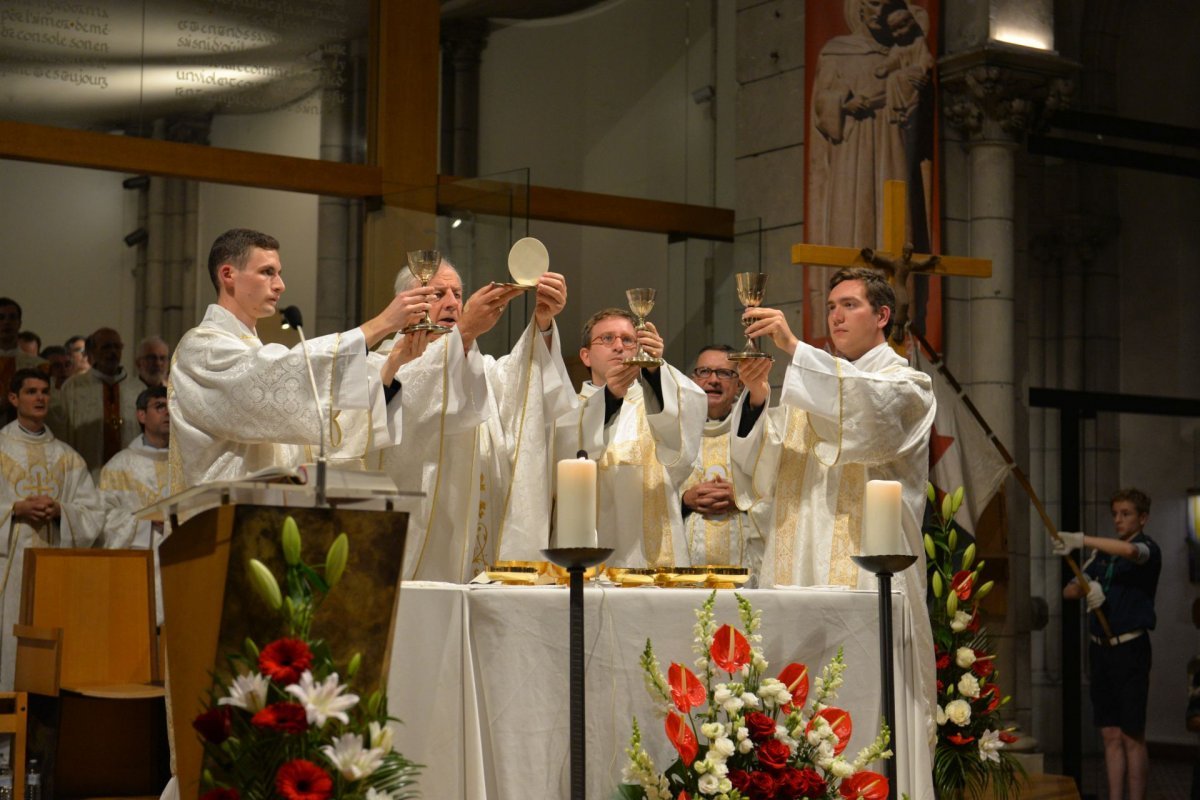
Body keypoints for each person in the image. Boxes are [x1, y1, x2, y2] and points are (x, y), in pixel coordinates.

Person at [737, 267, 937, 738]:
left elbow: (867, 406)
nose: (836, 317)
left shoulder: (908, 386)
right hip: (799, 568)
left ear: (882, 315)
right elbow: (765, 471)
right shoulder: (814, 384)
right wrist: (758, 397)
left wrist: (792, 348)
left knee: (864, 708)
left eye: (850, 305)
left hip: (866, 572)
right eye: (831, 307)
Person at [169, 228, 427, 490]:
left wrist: (392, 361)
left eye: (279, 273)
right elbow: (271, 376)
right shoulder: (201, 348)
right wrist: (380, 324)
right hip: (216, 518)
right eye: (267, 272)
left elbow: (309, 426)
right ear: (228, 275)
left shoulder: (248, 351)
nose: (280, 285)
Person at [375, 259, 576, 582]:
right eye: (438, 293)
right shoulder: (382, 367)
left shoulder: (483, 369)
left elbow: (526, 388)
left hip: (482, 537)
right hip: (422, 538)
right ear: (406, 304)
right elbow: (408, 404)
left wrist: (543, 323)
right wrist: (464, 331)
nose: (453, 302)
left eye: (458, 293)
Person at [555, 309, 706, 567]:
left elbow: (684, 442)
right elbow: (557, 463)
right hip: (591, 557)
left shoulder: (660, 401)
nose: (618, 347)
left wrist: (655, 371)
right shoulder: (565, 411)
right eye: (607, 339)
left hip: (655, 559)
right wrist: (609, 399)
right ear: (586, 356)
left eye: (628, 340)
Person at [1056, 488, 1162, 800]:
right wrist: (1089, 588)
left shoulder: (1147, 548)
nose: (1118, 519)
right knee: (1110, 733)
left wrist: (1081, 539)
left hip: (1130, 649)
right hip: (1100, 649)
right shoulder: (1100, 555)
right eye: (1115, 513)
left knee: (1131, 734)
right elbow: (1069, 591)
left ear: (1142, 518)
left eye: (1125, 513)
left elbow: (1130, 553)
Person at [0, 369, 103, 689]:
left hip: (52, 571)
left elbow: (93, 513)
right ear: (14, 398)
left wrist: (62, 511)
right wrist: (14, 509)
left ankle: (38, 734)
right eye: (31, 392)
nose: (40, 397)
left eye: (45, 391)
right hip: (7, 568)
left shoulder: (67, 457)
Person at [676, 345, 772, 572]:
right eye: (704, 372)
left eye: (724, 373)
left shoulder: (761, 431)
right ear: (693, 380)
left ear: (739, 383)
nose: (713, 380)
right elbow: (653, 495)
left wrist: (743, 497)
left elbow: (781, 494)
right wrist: (684, 500)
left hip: (746, 566)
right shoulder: (672, 432)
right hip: (685, 569)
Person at [99, 385, 170, 623]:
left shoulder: (190, 465)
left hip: (180, 562)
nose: (168, 412)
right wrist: (144, 522)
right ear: (141, 415)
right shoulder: (118, 467)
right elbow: (103, 519)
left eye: (172, 405)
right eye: (160, 406)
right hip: (137, 568)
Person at [49, 327, 141, 479]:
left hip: (130, 475)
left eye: (117, 347)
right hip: (87, 474)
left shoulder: (136, 388)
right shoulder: (74, 387)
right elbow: (63, 434)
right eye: (106, 347)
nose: (113, 352)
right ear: (92, 352)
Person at [0, 298, 46, 423]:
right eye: (1, 317)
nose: (6, 322)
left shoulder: (39, 366)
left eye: (12, 317)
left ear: (19, 323)